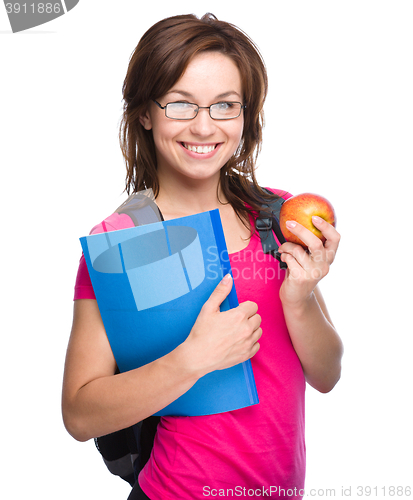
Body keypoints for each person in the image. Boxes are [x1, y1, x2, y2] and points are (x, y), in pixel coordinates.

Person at [62, 13, 343, 500]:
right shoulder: (123, 240)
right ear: (145, 112)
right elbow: (80, 413)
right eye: (180, 104)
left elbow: (327, 375)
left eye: (224, 106)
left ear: (245, 116)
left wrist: (299, 298)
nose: (203, 126)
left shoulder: (276, 217)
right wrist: (192, 361)